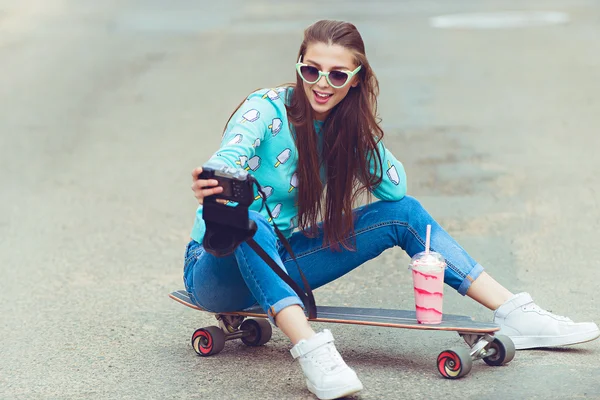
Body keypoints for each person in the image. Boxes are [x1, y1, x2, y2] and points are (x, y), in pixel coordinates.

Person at [185, 19, 599, 400]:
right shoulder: (265, 109)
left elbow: (394, 187)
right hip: (216, 267)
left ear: (356, 78)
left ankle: (516, 314)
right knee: (251, 221)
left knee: (405, 212)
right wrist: (217, 179)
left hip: (281, 260)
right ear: (299, 68)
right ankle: (311, 350)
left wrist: (355, 124)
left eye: (337, 75)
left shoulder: (342, 123)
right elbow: (231, 154)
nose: (322, 83)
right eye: (311, 70)